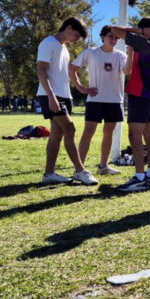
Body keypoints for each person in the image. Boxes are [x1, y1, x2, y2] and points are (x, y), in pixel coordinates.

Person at [106, 18, 150, 192]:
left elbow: (114, 28)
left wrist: (141, 31)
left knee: (134, 136)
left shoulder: (143, 43)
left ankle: (139, 177)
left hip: (140, 93)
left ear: (145, 30)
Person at [35, 17, 99, 185]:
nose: (76, 40)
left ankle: (49, 174)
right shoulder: (48, 43)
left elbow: (64, 73)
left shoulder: (63, 48)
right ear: (68, 28)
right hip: (51, 95)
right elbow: (41, 72)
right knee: (70, 129)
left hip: (64, 96)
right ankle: (80, 171)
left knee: (56, 135)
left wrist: (79, 88)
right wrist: (51, 97)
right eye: (76, 35)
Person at [68, 25, 128, 175]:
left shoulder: (121, 55)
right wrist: (81, 88)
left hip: (115, 100)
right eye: (110, 36)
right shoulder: (91, 52)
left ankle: (103, 166)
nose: (113, 40)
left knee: (109, 132)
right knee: (88, 132)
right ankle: (79, 169)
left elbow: (127, 71)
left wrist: (132, 50)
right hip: (95, 100)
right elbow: (72, 68)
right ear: (102, 37)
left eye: (116, 37)